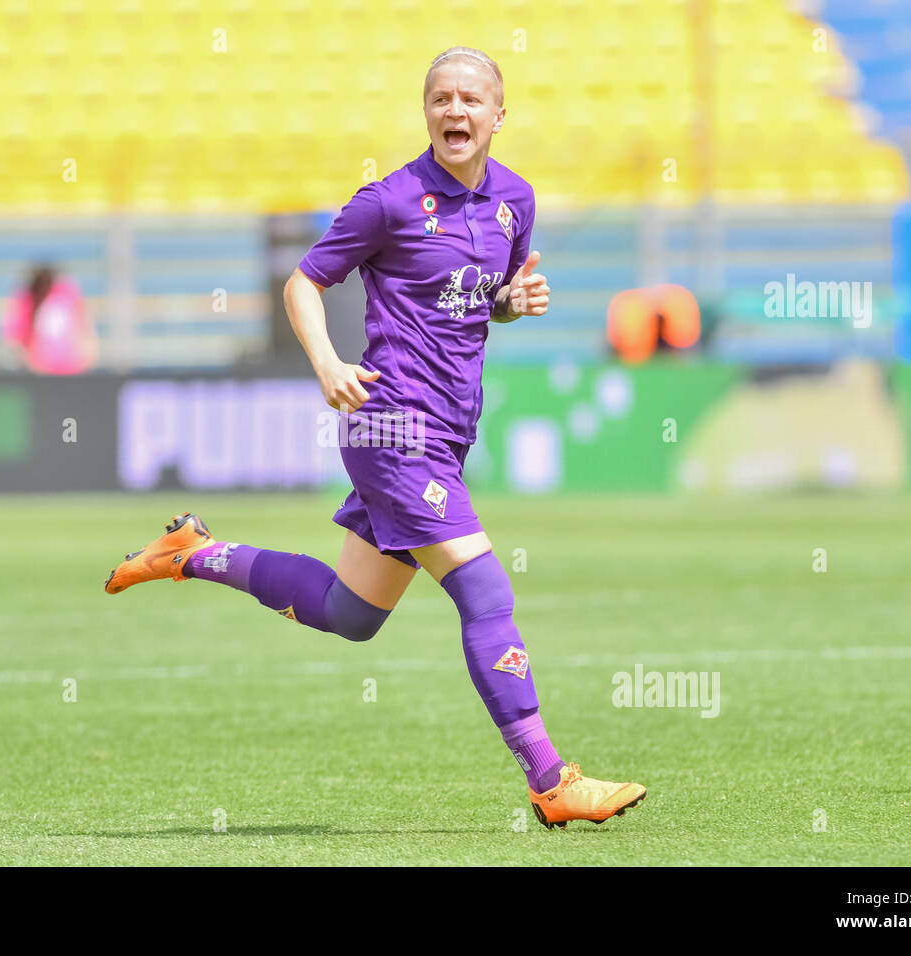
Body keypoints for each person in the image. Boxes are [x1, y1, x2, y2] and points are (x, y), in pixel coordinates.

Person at [104, 47, 647, 829]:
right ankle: (551, 780)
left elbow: (472, 301)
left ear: (500, 115)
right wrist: (327, 363)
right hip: (392, 427)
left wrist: (508, 304)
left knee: (349, 612)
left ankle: (192, 553)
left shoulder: (515, 202)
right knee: (487, 591)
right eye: (439, 99)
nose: (454, 112)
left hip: (449, 432)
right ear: (425, 112)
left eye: (469, 100)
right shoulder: (389, 200)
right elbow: (304, 282)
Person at [2, 265, 97, 375]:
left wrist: (85, 360)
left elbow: (86, 331)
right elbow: (14, 340)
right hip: (41, 373)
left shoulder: (67, 294)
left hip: (71, 371)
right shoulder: (27, 299)